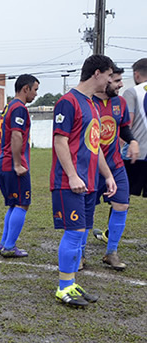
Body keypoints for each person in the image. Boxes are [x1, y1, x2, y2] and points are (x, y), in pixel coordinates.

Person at [50, 55, 116, 307]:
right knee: (74, 231)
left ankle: (71, 282)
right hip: (70, 182)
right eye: (110, 75)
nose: (111, 81)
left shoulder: (94, 105)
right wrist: (73, 175)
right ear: (97, 73)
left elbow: (94, 144)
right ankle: (63, 287)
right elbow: (59, 141)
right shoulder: (68, 102)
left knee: (81, 234)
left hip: (88, 182)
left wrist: (107, 175)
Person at [90, 66, 139, 270]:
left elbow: (124, 128)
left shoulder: (120, 102)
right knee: (87, 210)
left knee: (121, 205)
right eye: (116, 80)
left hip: (115, 165)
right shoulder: (87, 102)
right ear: (104, 80)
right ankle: (80, 254)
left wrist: (133, 141)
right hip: (91, 168)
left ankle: (111, 253)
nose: (121, 84)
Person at [0, 74, 38, 257]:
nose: (36, 94)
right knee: (22, 204)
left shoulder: (9, 106)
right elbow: (16, 135)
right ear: (25, 89)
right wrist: (18, 164)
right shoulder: (19, 108)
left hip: (1, 163)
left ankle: (5, 243)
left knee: (14, 204)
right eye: (35, 89)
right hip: (11, 165)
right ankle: (9, 246)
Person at [122, 58, 147, 197]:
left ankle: (117, 219)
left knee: (122, 197)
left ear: (136, 74)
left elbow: (127, 123)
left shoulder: (131, 92)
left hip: (135, 154)